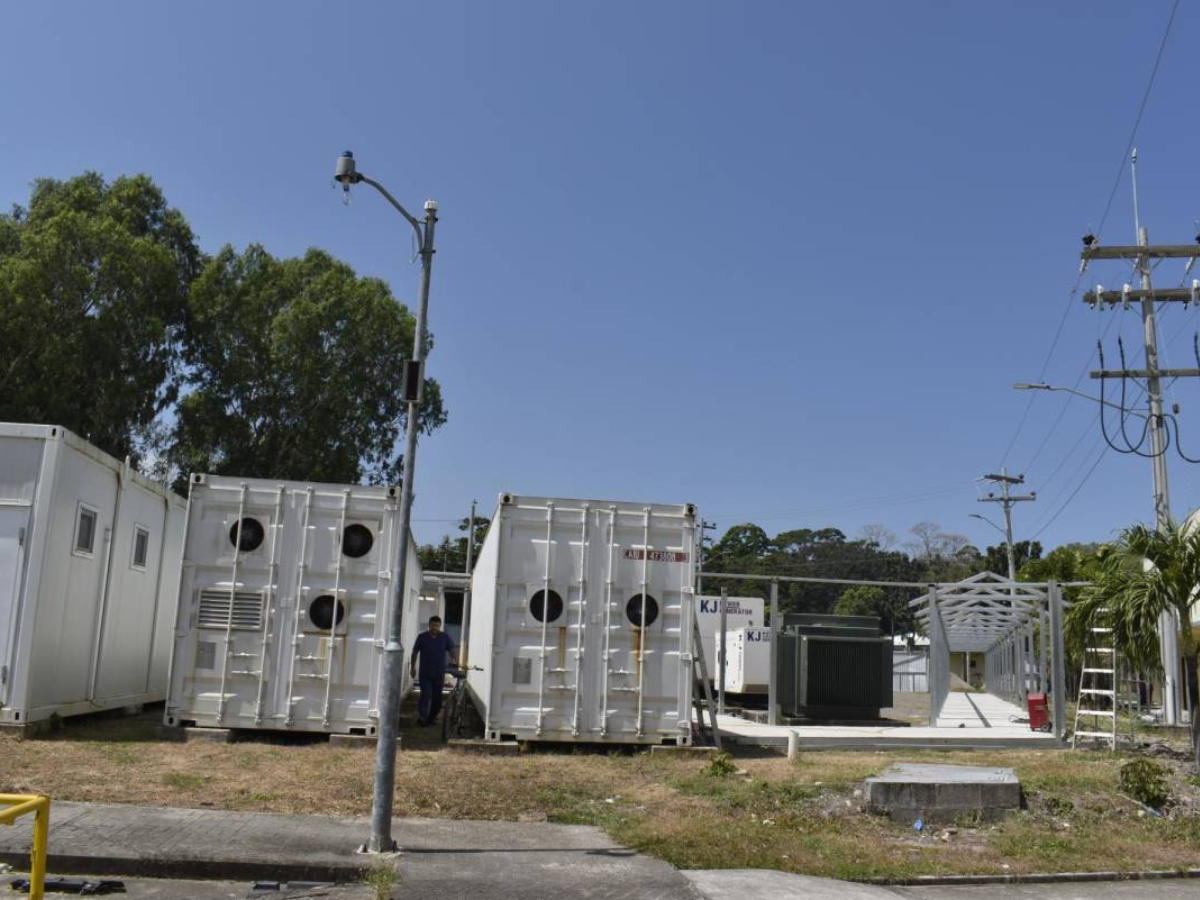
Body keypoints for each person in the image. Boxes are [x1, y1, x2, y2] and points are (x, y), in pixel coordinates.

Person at [410, 615, 457, 726]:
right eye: (432, 625)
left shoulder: (444, 637)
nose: (434, 628)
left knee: (437, 699)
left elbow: (452, 649)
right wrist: (412, 668)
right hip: (425, 673)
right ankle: (423, 717)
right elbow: (414, 652)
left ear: (440, 626)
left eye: (437, 626)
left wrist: (453, 659)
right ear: (429, 625)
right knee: (425, 695)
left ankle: (431, 717)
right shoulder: (422, 637)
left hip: (439, 674)